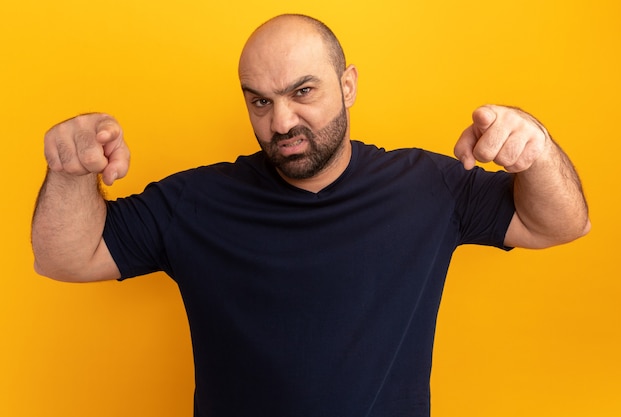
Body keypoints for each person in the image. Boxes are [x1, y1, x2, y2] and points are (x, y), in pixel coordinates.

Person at [31, 13, 590, 417]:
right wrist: (70, 170)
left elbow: (561, 223)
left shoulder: (428, 187)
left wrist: (536, 149)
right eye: (260, 100)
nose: (281, 122)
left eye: (303, 92)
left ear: (347, 86)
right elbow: (65, 256)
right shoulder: (194, 202)